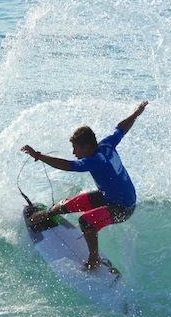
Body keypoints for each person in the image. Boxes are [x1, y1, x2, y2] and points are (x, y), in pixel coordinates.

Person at [21, 101, 148, 270]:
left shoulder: (95, 161)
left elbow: (68, 165)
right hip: (108, 196)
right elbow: (121, 128)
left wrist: (38, 155)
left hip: (123, 208)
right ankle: (47, 214)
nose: (74, 153)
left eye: (76, 149)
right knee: (66, 205)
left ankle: (94, 259)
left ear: (87, 146)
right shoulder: (107, 144)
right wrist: (136, 113)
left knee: (86, 221)